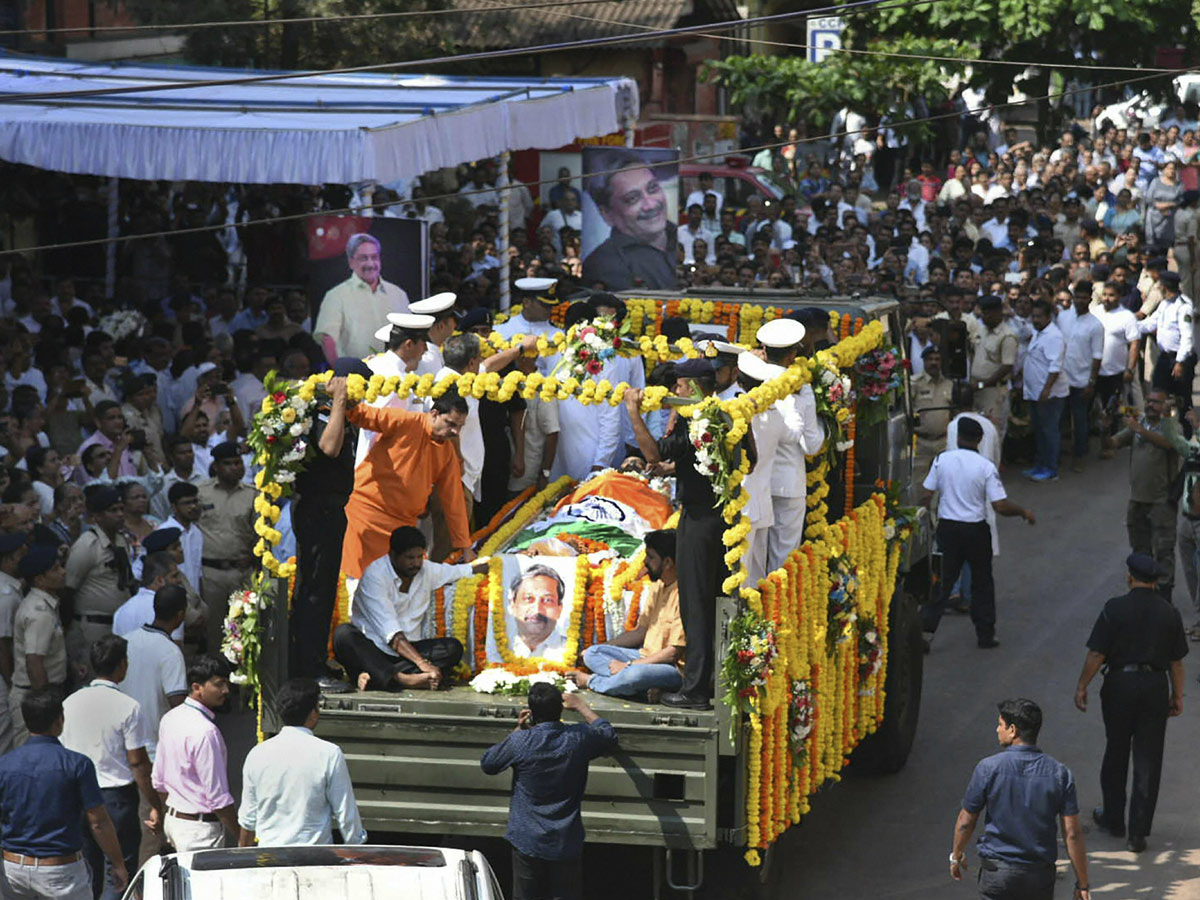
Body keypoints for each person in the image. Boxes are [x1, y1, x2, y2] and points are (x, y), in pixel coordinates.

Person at [625, 358, 754, 708]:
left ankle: (695, 690)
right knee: (719, 601)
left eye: (679, 386)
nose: (674, 392)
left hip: (698, 521)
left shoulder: (692, 417)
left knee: (696, 606)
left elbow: (651, 454)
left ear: (695, 388)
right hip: (726, 519)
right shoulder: (729, 411)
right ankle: (717, 680)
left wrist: (633, 412)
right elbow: (751, 458)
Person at [1074, 553, 1187, 853]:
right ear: (1155, 581)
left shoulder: (1115, 608)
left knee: (1116, 750)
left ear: (1130, 577)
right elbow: (1176, 662)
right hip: (1153, 687)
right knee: (1148, 759)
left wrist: (1082, 686)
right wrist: (1177, 695)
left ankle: (1113, 818)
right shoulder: (1169, 612)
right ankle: (1137, 833)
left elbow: (1096, 654)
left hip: (1119, 686)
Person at [480, 684, 618, 900]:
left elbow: (489, 764)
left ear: (531, 712)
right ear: (561, 709)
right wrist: (582, 707)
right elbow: (608, 735)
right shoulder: (577, 738)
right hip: (566, 837)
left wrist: (518, 729)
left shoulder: (522, 741)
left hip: (527, 836)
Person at [949, 699, 1091, 900]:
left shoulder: (988, 768)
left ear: (1013, 730)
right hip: (1038, 877)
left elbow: (966, 821)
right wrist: (1082, 884)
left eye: (1000, 725)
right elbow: (1073, 834)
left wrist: (956, 855)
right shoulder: (1060, 774)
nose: (997, 730)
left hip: (997, 874)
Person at [0, 690, 129, 900]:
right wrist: (118, 864)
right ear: (59, 720)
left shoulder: (4, 765)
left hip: (13, 869)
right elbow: (98, 823)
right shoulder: (77, 765)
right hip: (61, 873)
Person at [61, 635, 162, 900]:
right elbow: (137, 761)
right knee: (119, 872)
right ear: (122, 665)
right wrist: (154, 802)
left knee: (87, 870)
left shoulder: (70, 703)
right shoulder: (128, 707)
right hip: (115, 800)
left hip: (77, 797)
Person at [290, 361, 372, 688]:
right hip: (317, 509)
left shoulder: (342, 412)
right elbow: (328, 447)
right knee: (314, 591)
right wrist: (338, 401)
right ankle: (309, 669)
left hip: (332, 509)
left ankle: (313, 661)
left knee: (323, 590)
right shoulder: (322, 408)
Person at [920, 417, 1035, 649]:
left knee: (942, 582)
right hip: (975, 529)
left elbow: (926, 493)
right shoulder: (985, 467)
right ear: (980, 440)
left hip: (948, 528)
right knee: (982, 583)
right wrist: (1023, 512)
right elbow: (1000, 506)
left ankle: (925, 632)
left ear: (958, 437)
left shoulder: (942, 460)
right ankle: (985, 634)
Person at [341, 389, 475, 584]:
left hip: (403, 528)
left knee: (398, 585)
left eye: (459, 427)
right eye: (451, 424)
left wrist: (465, 546)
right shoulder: (405, 421)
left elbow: (454, 500)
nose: (455, 432)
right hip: (366, 517)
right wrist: (343, 399)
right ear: (434, 414)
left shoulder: (447, 452)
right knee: (353, 582)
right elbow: (362, 415)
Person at [332, 526, 481, 691]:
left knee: (452, 648)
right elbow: (392, 635)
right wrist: (422, 663)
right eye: (410, 558)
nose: (416, 563)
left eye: (419, 557)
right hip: (375, 648)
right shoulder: (375, 576)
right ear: (393, 555)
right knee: (343, 635)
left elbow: (462, 571)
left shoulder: (426, 569)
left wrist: (501, 564)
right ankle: (403, 679)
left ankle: (377, 676)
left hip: (408, 651)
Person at [237, 678, 366, 848]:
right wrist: (356, 849)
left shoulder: (257, 754)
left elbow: (248, 820)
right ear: (313, 713)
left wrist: (243, 860)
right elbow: (346, 815)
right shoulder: (329, 753)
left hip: (268, 858)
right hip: (313, 859)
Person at [569, 529, 684, 698]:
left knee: (635, 675)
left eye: (651, 557)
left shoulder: (684, 594)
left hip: (669, 668)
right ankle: (639, 688)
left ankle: (593, 682)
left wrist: (629, 666)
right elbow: (640, 632)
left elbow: (673, 653)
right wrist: (606, 647)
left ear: (667, 562)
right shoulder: (657, 586)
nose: (645, 562)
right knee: (592, 653)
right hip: (643, 656)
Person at [1105, 389, 1189, 599]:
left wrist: (1139, 429)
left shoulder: (1171, 427)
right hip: (1137, 500)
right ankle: (1141, 594)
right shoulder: (1140, 424)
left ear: (1165, 407)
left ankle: (1164, 599)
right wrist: (1105, 430)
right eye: (1149, 401)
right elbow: (1113, 444)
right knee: (1139, 551)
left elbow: (1169, 443)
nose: (1151, 405)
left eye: (1156, 402)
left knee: (1163, 552)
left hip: (1161, 502)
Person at [756, 319, 825, 573]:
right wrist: (828, 424)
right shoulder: (800, 387)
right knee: (783, 560)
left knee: (754, 560)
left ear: (764, 350)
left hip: (758, 482)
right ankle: (776, 612)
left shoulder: (753, 378)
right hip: (789, 484)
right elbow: (811, 444)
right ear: (793, 353)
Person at [151, 654, 237, 851]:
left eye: (226, 683)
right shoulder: (206, 732)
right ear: (197, 687)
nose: (226, 690)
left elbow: (159, 780)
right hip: (199, 832)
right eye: (219, 684)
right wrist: (242, 836)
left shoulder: (170, 718)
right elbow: (218, 798)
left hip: (175, 823)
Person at [582, 148, 678, 291]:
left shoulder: (681, 236)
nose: (650, 205)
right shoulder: (603, 264)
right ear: (607, 213)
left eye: (653, 188)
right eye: (633, 198)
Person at [64, 486, 134, 674]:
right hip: (91, 627)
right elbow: (68, 589)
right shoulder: (87, 545)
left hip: (115, 626)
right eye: (113, 510)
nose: (120, 514)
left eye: (121, 509)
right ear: (97, 516)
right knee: (91, 678)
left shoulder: (120, 540)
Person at [196, 440, 255, 653]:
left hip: (241, 572)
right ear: (217, 467)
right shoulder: (201, 493)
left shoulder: (252, 494)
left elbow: (260, 533)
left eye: (238, 463)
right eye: (229, 463)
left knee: (245, 631)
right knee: (215, 633)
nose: (235, 467)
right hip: (212, 573)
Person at [313, 232, 410, 362]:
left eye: (374, 257)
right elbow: (327, 339)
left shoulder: (398, 294)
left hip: (397, 375)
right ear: (351, 262)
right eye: (363, 258)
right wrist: (341, 372)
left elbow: (410, 336)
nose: (370, 264)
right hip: (356, 377)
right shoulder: (336, 296)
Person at [118, 585, 187, 762]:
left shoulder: (126, 640)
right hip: (153, 749)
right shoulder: (170, 651)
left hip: (121, 744)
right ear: (180, 615)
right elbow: (177, 704)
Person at [11, 545, 69, 746]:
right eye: (55, 569)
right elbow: (34, 661)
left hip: (37, 694)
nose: (63, 572)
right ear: (39, 579)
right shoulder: (40, 613)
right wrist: (46, 705)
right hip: (33, 697)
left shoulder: (47, 604)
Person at [1057, 282, 1105, 470]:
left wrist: (1091, 383)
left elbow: (1097, 357)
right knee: (1061, 418)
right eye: (1077, 297)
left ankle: (1080, 456)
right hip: (1061, 379)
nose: (1080, 301)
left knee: (1080, 421)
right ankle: (1061, 453)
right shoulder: (1062, 317)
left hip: (1082, 381)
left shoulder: (1095, 325)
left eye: (1084, 297)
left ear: (1090, 299)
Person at [1137, 271, 1195, 420]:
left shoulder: (1183, 307)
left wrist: (1180, 362)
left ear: (1163, 287)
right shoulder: (1164, 304)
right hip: (1164, 358)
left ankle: (1189, 436)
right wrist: (1129, 324)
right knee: (1158, 395)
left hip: (1178, 360)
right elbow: (1150, 324)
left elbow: (1187, 337)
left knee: (1182, 399)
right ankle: (1159, 432)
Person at [1022, 300, 1069, 482]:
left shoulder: (1054, 336)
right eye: (1033, 316)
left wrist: (1046, 390)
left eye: (1039, 316)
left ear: (1048, 317)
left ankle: (1051, 469)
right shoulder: (1038, 333)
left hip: (1049, 394)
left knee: (1049, 431)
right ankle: (1039, 465)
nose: (1035, 320)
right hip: (1035, 392)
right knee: (1039, 431)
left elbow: (1055, 367)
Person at [971, 295, 1018, 442]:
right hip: (977, 389)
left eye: (987, 313)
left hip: (993, 390)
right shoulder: (981, 330)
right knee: (975, 431)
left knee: (992, 433)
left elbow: (1007, 366)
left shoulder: (1007, 336)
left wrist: (983, 384)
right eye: (983, 313)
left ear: (998, 312)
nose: (984, 317)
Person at [112, 551, 183, 644]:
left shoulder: (122, 611)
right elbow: (174, 648)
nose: (179, 581)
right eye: (174, 576)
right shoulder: (170, 607)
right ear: (159, 580)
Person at [506, 565, 568, 659]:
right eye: (528, 598)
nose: (537, 609)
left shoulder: (573, 651)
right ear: (513, 605)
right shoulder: (496, 648)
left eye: (547, 600)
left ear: (559, 608)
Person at [0, 532, 26, 754]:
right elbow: (3, 645)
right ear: (8, 560)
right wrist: (10, 683)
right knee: (6, 739)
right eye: (19, 556)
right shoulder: (6, 595)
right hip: (3, 676)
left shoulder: (10, 587)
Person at [912, 345, 955, 477]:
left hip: (943, 442)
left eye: (937, 359)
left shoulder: (950, 384)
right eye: (930, 359)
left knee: (944, 484)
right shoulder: (914, 383)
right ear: (924, 361)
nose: (933, 363)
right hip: (921, 444)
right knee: (919, 484)